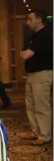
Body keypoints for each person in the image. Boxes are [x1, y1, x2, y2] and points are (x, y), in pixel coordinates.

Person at [18, 9, 53, 145]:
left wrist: (25, 53)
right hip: (31, 75)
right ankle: (35, 132)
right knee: (31, 105)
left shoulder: (45, 34)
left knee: (41, 106)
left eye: (30, 19)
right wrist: (25, 53)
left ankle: (44, 135)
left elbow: (25, 55)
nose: (28, 22)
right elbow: (22, 52)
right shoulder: (32, 36)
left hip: (42, 74)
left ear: (39, 20)